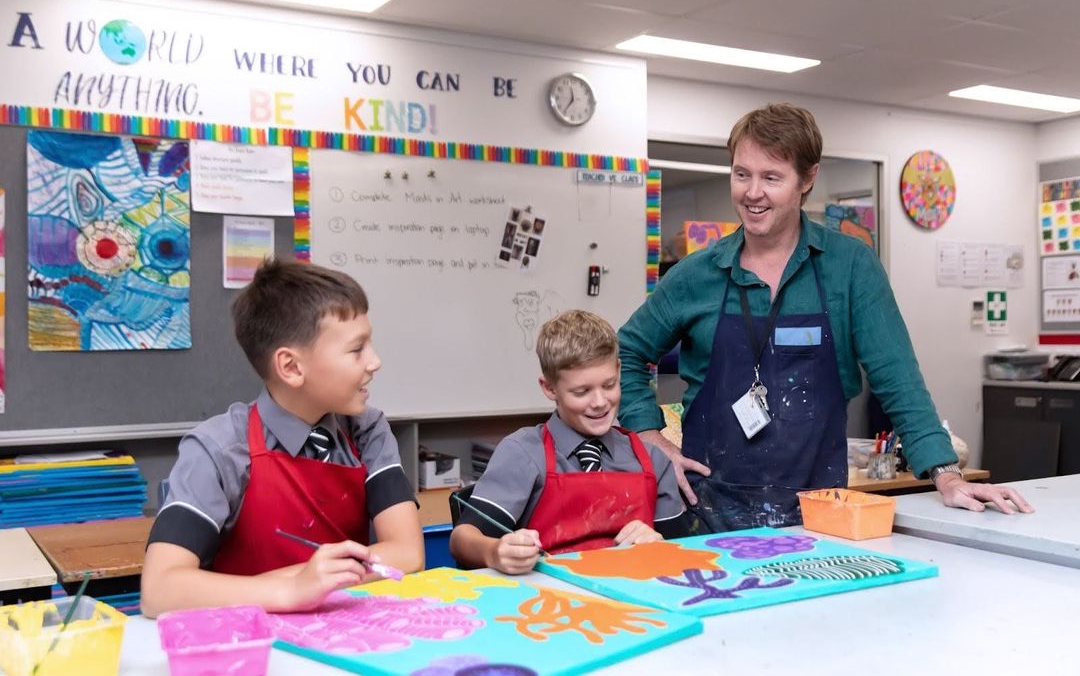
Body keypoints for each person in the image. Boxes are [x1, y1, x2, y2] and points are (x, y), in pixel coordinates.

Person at [618, 102, 1033, 533]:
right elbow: (625, 350)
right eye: (742, 174)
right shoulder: (695, 275)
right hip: (705, 518)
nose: (752, 192)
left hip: (819, 519)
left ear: (808, 178)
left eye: (772, 177)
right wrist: (649, 438)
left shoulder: (850, 267)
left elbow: (899, 379)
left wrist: (946, 474)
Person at [141, 259, 424, 616]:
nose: (375, 361)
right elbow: (160, 589)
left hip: (346, 632)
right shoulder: (220, 449)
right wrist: (293, 588)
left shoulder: (367, 430)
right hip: (251, 643)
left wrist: (319, 581)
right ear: (291, 367)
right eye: (357, 349)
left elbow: (407, 553)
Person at [450, 310, 688, 574]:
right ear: (549, 388)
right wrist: (495, 552)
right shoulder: (524, 453)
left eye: (609, 385)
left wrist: (661, 545)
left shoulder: (652, 460)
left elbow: (683, 553)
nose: (599, 402)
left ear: (619, 370)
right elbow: (462, 540)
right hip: (547, 606)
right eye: (581, 391)